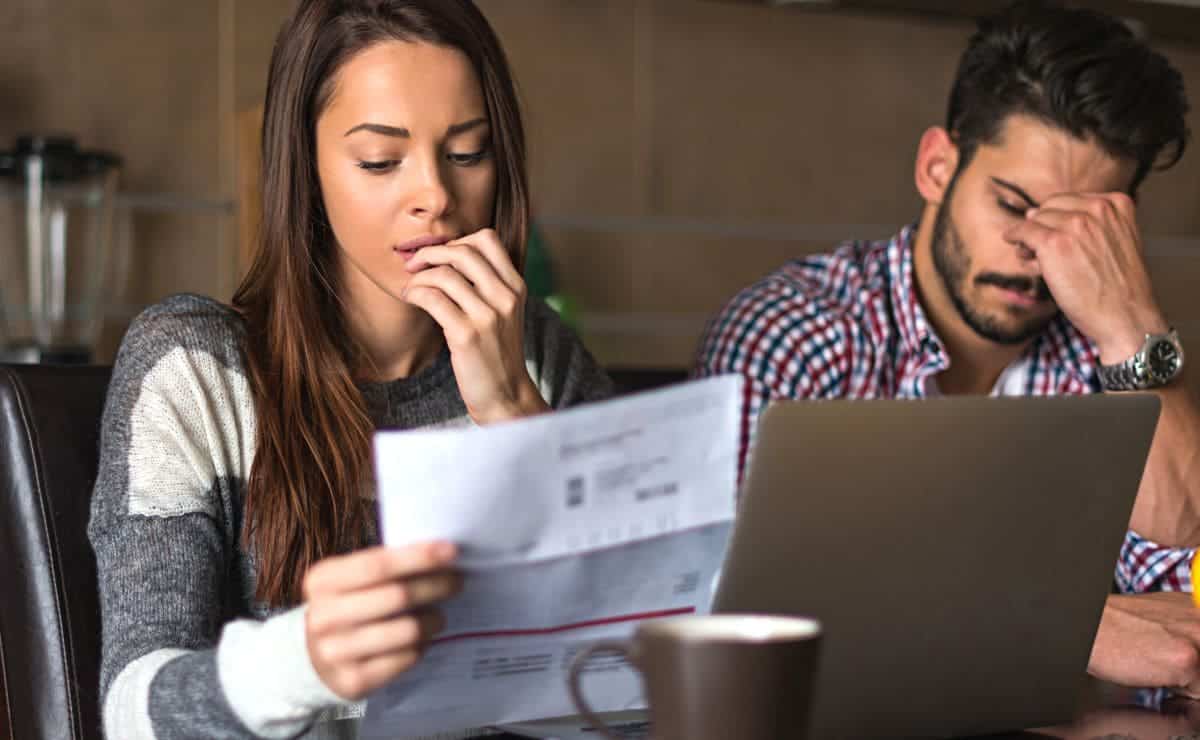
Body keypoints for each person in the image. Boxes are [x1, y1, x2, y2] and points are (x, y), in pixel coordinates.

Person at [87, 1, 612, 737]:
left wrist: (516, 414)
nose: (434, 195)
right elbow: (132, 712)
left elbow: (629, 690)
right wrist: (303, 663)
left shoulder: (542, 358)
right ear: (307, 168)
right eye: (379, 160)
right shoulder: (195, 368)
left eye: (467, 153)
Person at [694, 0, 1200, 697]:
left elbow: (1185, 607)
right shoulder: (797, 334)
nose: (1036, 253)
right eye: (1016, 205)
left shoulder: (1110, 358)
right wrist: (1074, 626)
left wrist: (1132, 326)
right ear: (938, 166)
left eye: (1079, 227)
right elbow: (737, 627)